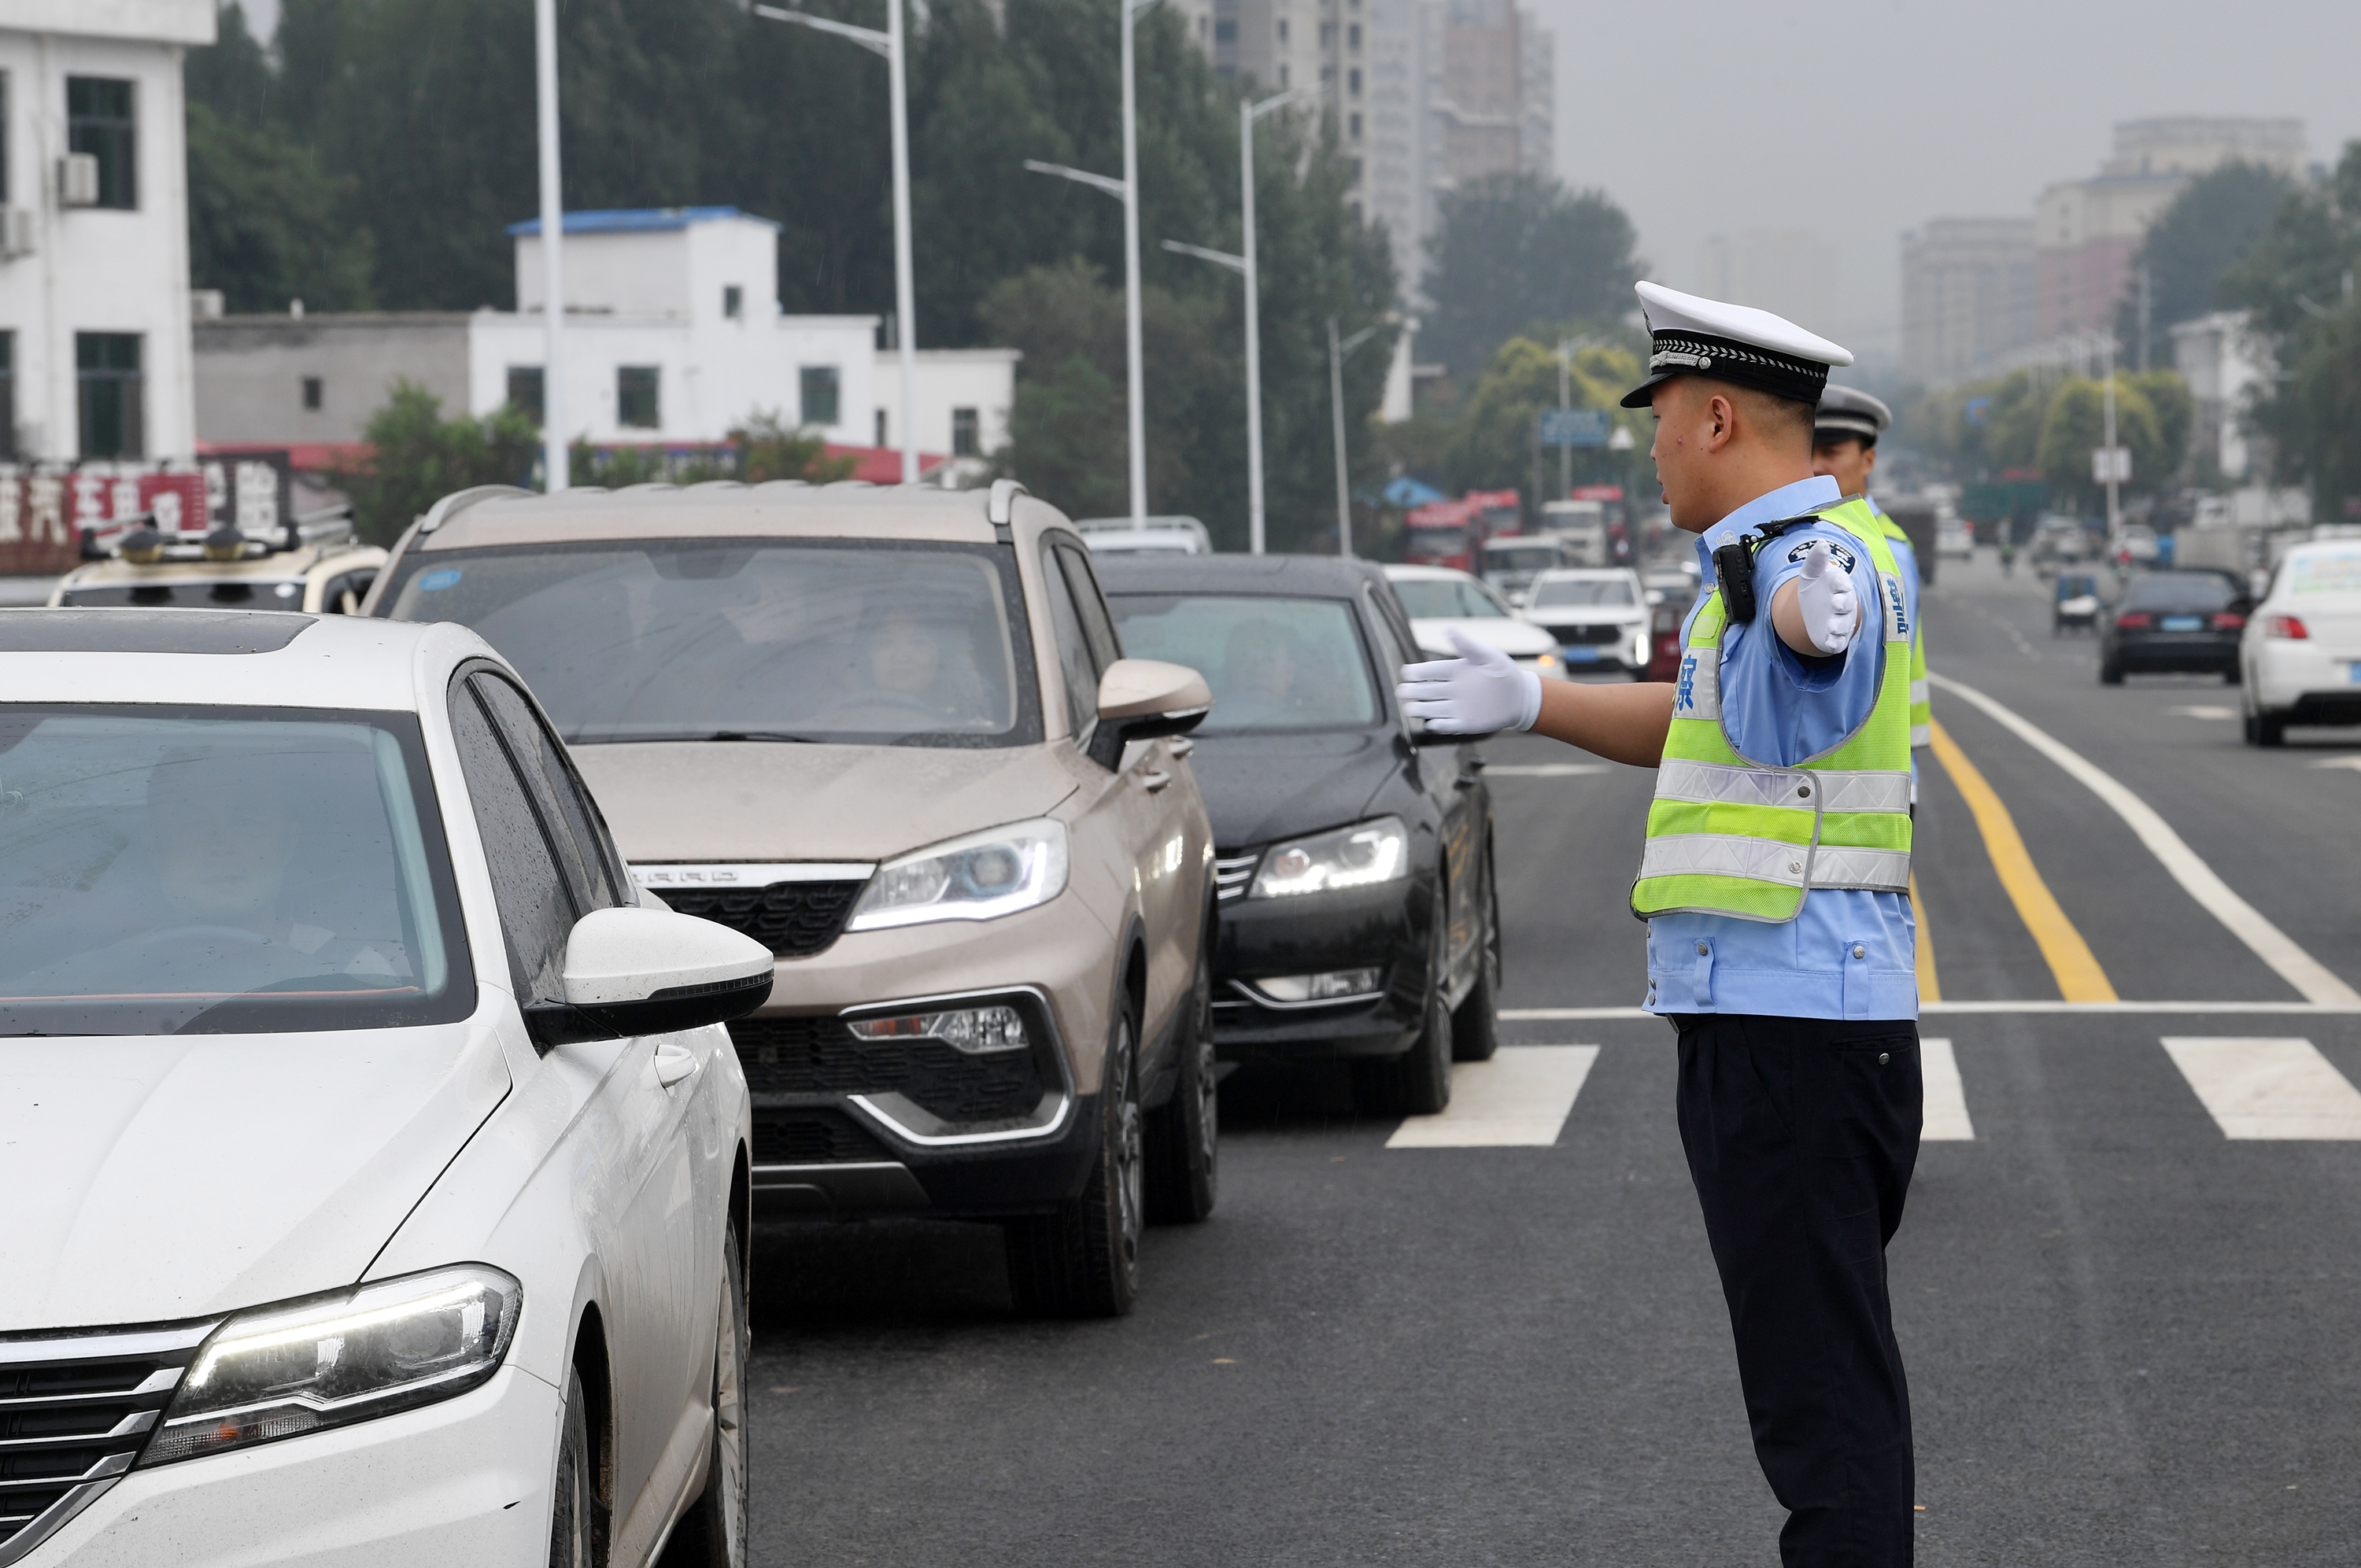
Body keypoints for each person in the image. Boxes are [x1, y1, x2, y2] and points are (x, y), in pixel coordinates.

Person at [1398, 281, 1922, 1567]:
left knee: (1826, 1423)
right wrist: (1530, 698)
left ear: (1721, 417)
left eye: (1662, 417)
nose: (1649, 446)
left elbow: (1815, 640)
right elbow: (1689, 720)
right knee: (1822, 1394)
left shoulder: (1815, 562)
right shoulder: (1738, 573)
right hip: (1780, 1022)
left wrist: (1806, 621)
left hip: (1793, 1026)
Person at [1813, 385, 1932, 802]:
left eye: (1830, 452)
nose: (1815, 465)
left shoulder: (1888, 550)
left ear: (1869, 459)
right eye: (1808, 451)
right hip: (1822, 778)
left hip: (1873, 779)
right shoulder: (1795, 535)